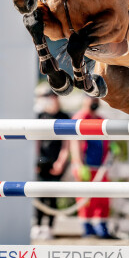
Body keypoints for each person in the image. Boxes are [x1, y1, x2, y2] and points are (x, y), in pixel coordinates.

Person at [71, 95, 113, 238]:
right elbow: (75, 142)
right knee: (85, 199)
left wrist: (112, 148)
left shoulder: (101, 120)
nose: (94, 101)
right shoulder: (80, 118)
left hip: (100, 166)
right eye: (91, 99)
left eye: (95, 99)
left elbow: (107, 140)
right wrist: (78, 164)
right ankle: (87, 228)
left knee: (102, 197)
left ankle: (102, 226)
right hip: (86, 165)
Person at [31, 85, 70, 241]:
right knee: (39, 194)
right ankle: (38, 225)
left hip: (57, 159)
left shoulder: (64, 116)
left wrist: (61, 161)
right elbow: (37, 141)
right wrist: (35, 160)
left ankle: (50, 227)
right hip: (42, 159)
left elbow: (67, 143)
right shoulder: (40, 115)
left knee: (53, 195)